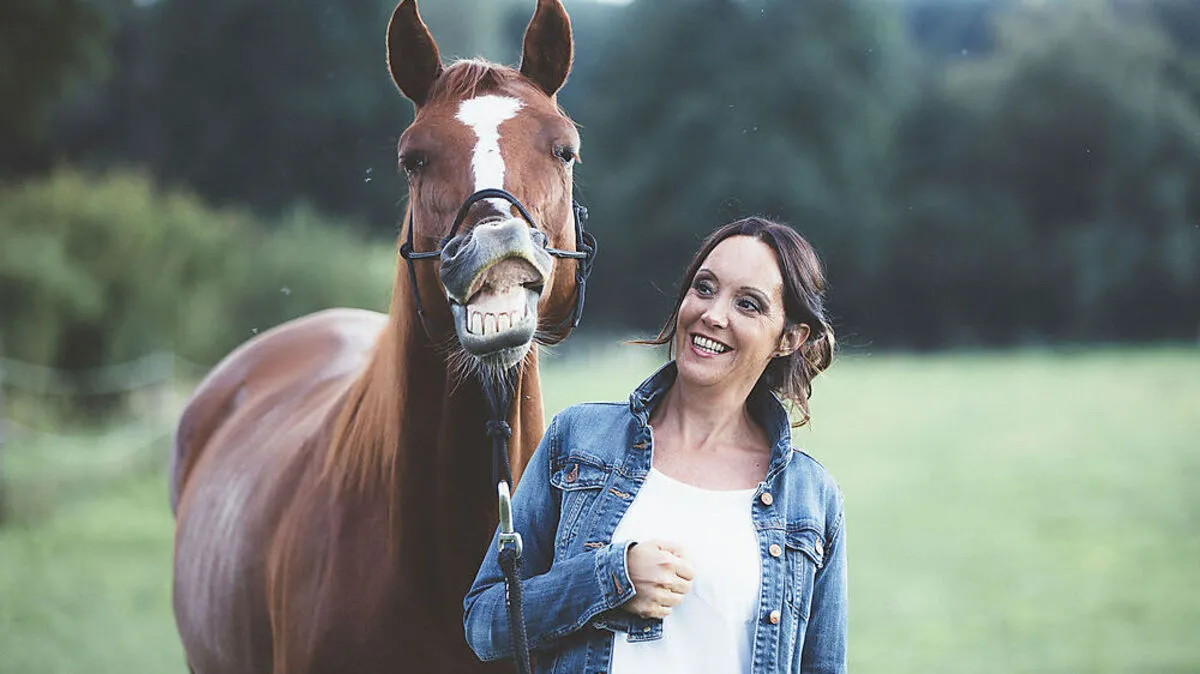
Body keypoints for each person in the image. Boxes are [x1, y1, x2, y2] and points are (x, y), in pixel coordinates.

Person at [464, 217, 846, 673]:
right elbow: (485, 624)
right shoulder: (578, 440)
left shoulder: (811, 497)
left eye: (748, 304)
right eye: (704, 288)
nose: (713, 314)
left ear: (790, 339)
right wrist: (610, 581)